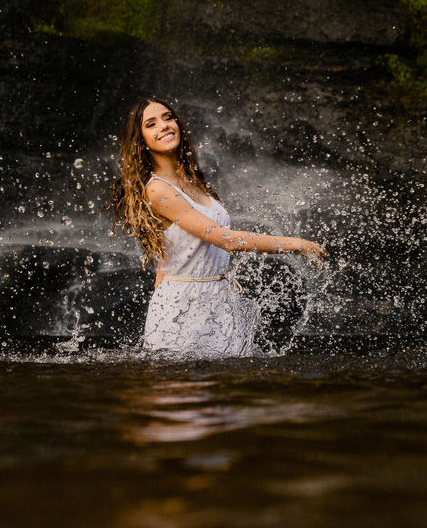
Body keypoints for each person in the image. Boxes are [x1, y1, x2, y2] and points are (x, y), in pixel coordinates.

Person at [111, 97, 326, 358]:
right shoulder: (158, 189)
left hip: (217, 298)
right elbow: (226, 240)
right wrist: (297, 244)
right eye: (151, 124)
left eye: (168, 118)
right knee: (180, 392)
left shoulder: (189, 179)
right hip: (184, 306)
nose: (164, 126)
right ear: (140, 139)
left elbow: (168, 254)